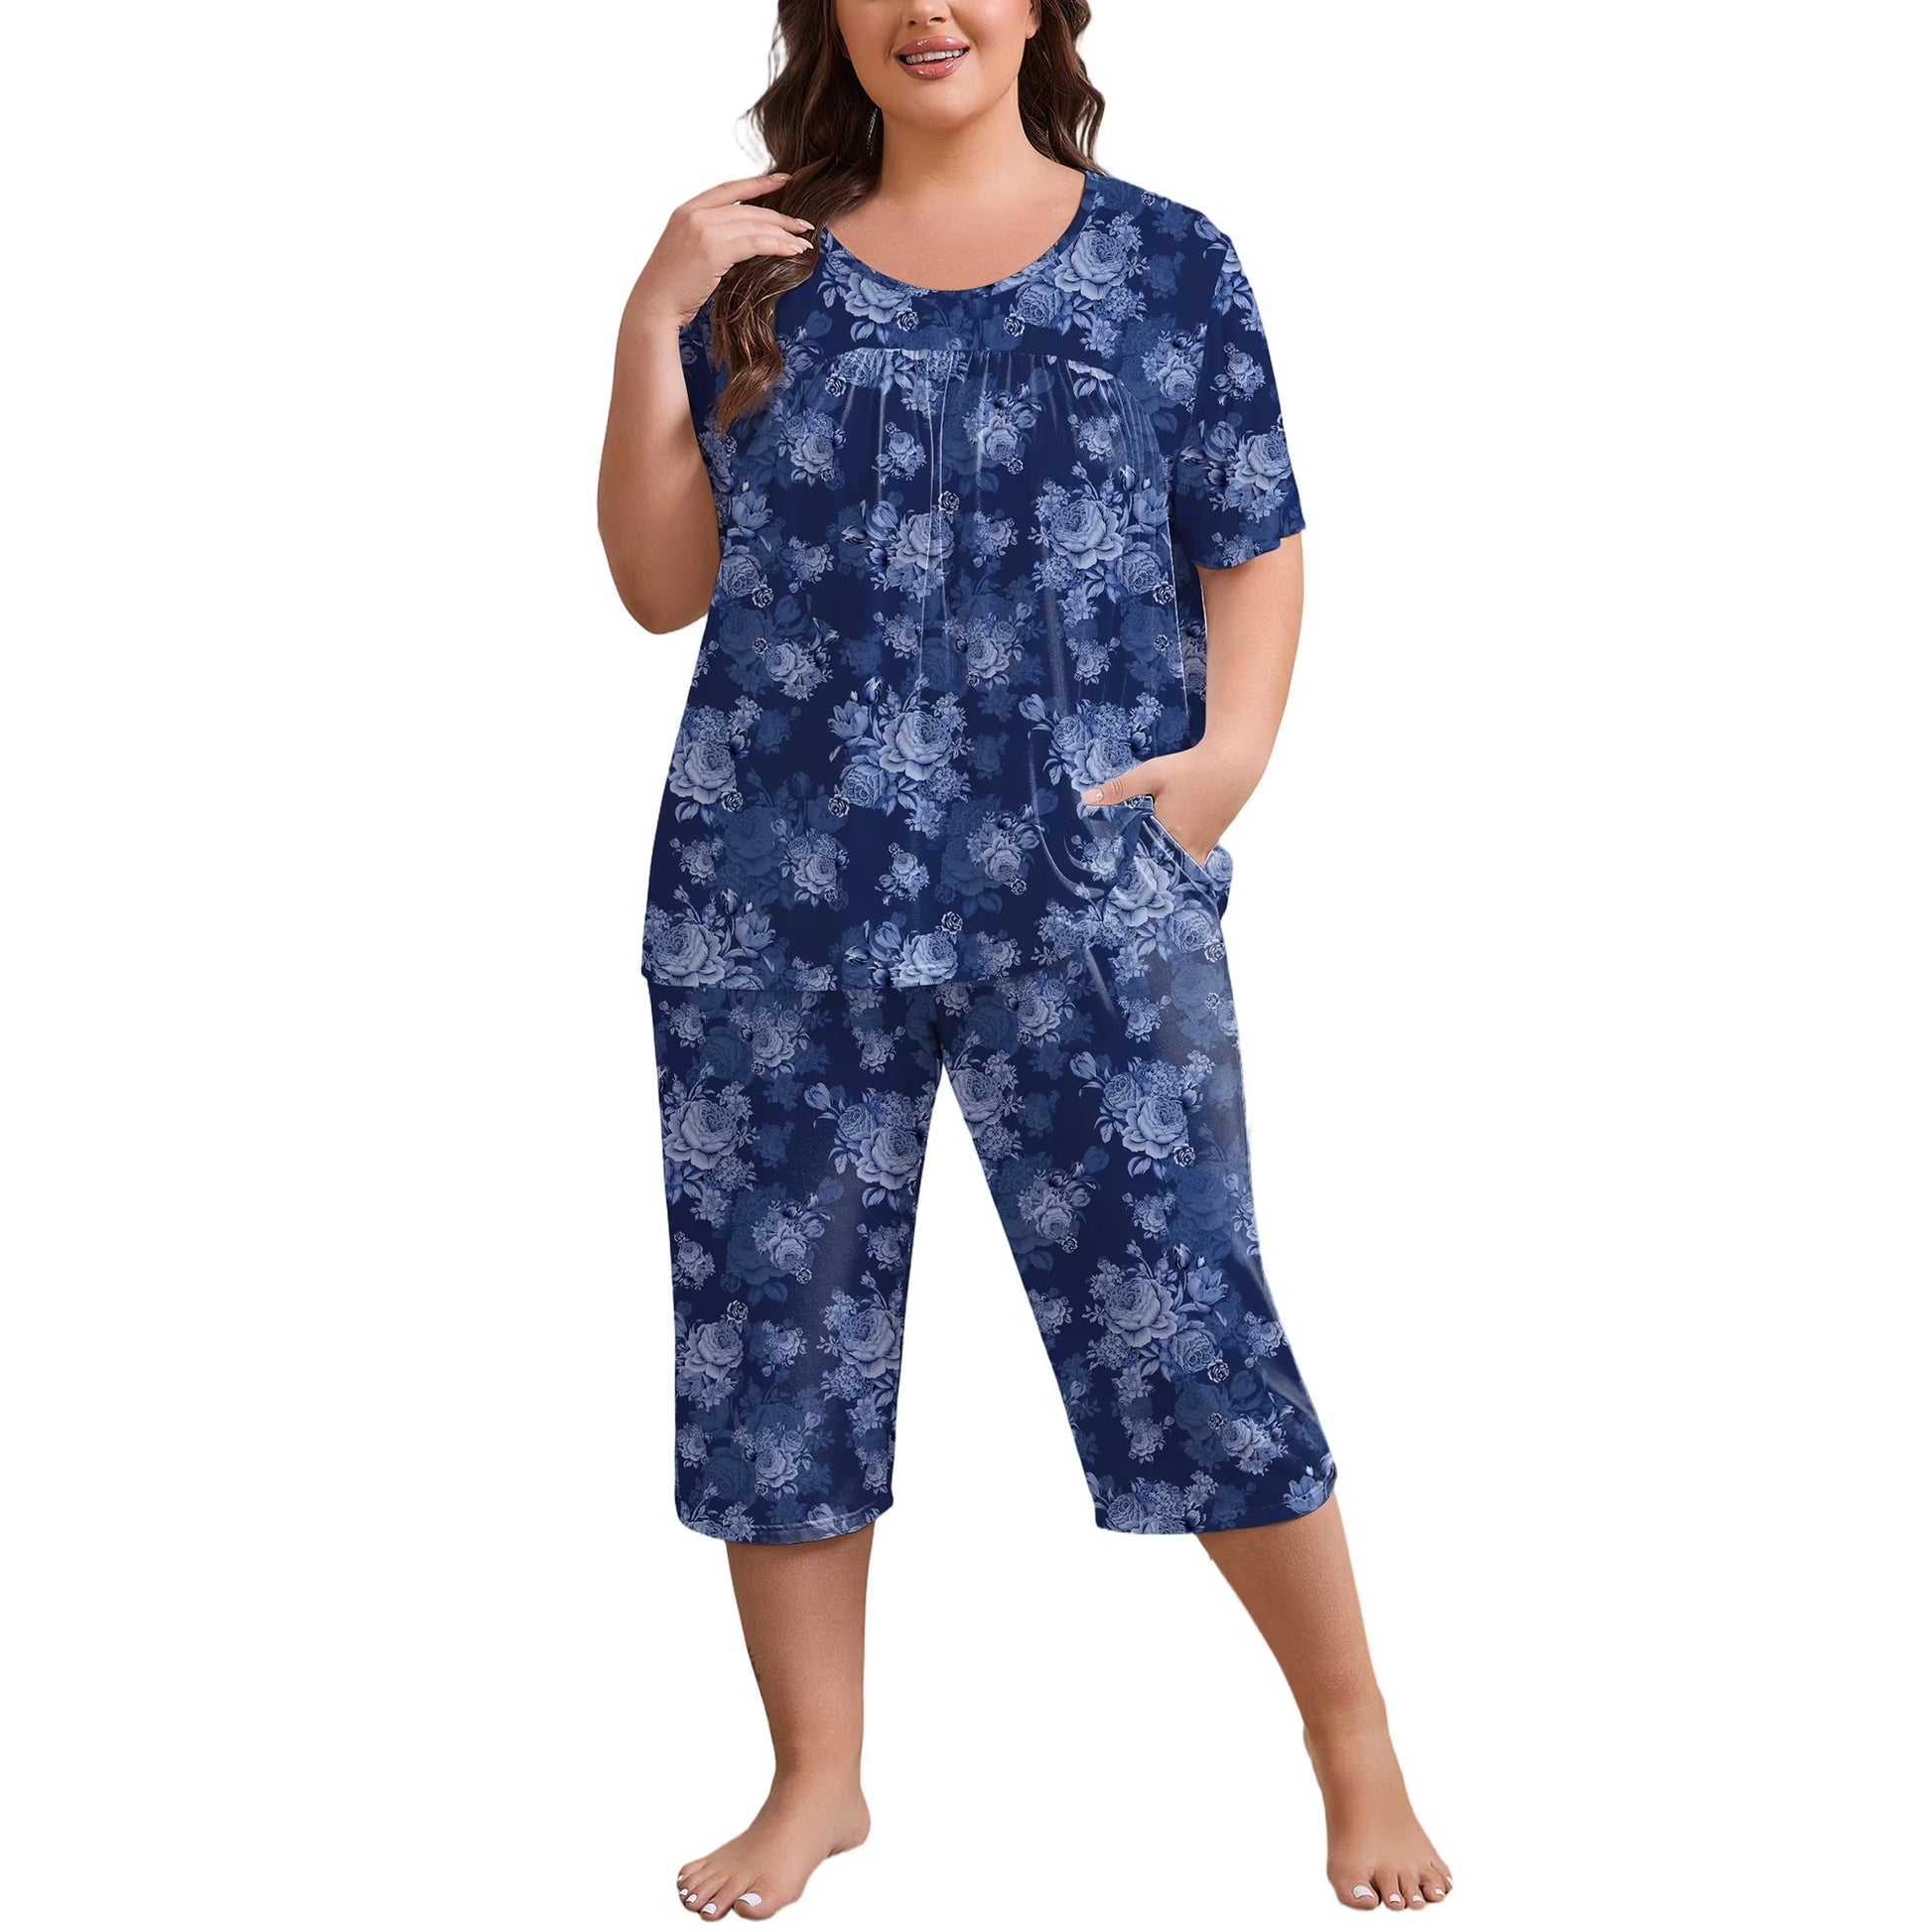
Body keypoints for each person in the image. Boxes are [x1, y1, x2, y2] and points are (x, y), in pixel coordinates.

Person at [598, 2, 1450, 1918]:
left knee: (1185, 1309)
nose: (929, 7)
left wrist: (1228, 764)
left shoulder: (1167, 260)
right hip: (771, 897)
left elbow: (1252, 533)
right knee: (775, 1343)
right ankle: (816, 1775)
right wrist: (651, 314)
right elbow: (658, 586)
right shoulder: (750, 265)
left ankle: (1353, 1738)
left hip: (1086, 887)